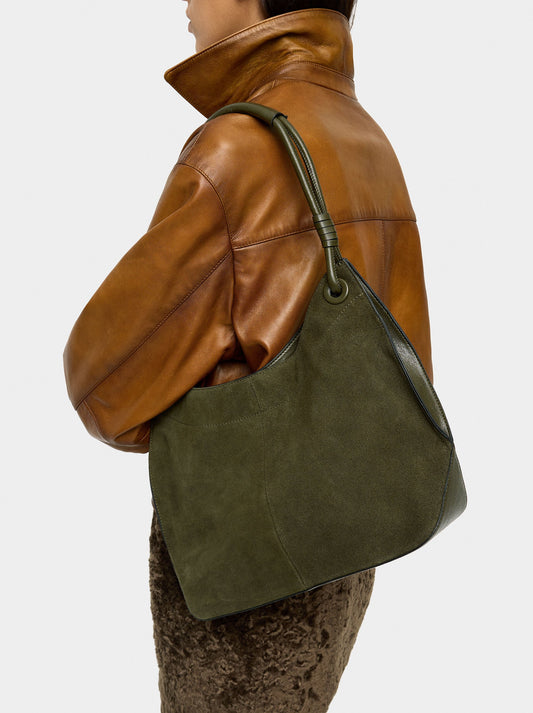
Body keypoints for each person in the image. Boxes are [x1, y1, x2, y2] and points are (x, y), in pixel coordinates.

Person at [63, 1, 433, 711]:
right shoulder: (362, 134)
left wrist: (176, 414)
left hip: (246, 558)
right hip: (349, 541)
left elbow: (101, 383)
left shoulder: (239, 147)